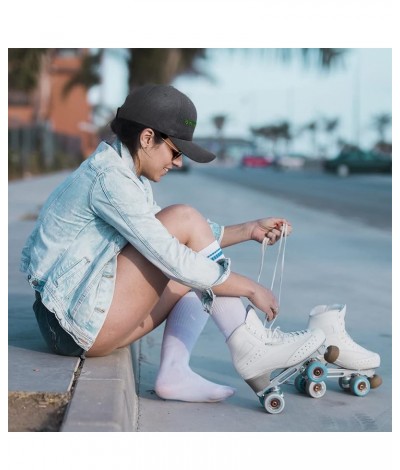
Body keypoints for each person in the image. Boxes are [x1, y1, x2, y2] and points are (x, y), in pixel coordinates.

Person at [20, 84, 327, 404]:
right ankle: (250, 346)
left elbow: (172, 238)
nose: (178, 163)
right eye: (175, 152)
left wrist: (248, 230)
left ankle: (176, 373)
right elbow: (171, 249)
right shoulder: (109, 179)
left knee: (191, 252)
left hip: (73, 325)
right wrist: (248, 287)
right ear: (147, 138)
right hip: (71, 326)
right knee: (184, 221)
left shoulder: (124, 174)